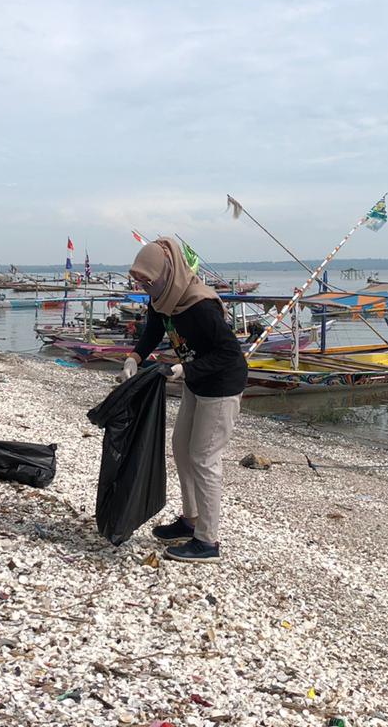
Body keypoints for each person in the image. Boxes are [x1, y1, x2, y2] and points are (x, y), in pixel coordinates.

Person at [117, 237, 247, 564]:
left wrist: (182, 368)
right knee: (180, 449)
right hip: (195, 382)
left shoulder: (200, 305)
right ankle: (190, 521)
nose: (144, 287)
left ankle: (208, 540)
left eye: (148, 280)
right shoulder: (162, 299)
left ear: (168, 272)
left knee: (204, 458)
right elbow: (152, 332)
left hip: (222, 386)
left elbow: (230, 355)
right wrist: (133, 358)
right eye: (140, 281)